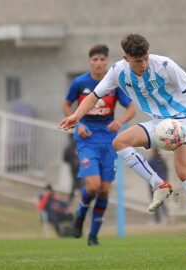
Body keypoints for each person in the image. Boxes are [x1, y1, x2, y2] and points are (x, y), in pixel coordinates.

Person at [59, 34, 186, 257]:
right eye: (138, 61)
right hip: (159, 123)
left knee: (184, 172)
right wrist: (76, 116)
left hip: (184, 119)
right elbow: (93, 96)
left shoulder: (165, 65)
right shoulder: (118, 71)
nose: (144, 64)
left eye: (145, 58)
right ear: (126, 58)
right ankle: (159, 185)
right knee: (120, 142)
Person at [62, 44, 136, 246]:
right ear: (89, 62)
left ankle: (93, 235)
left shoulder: (112, 84)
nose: (99, 63)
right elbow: (66, 104)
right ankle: (80, 216)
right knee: (93, 186)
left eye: (102, 60)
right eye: (95, 60)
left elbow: (131, 108)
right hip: (87, 141)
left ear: (107, 61)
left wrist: (120, 121)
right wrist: (77, 123)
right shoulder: (80, 83)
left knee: (104, 190)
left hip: (109, 141)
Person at [147, 148, 169, 225]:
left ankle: (157, 220)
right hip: (163, 183)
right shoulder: (162, 160)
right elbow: (166, 171)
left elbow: (148, 173)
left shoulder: (151, 161)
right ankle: (167, 217)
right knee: (161, 201)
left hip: (154, 185)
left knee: (155, 202)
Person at [63, 134, 80, 205]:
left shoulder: (69, 147)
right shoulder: (79, 145)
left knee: (76, 183)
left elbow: (65, 158)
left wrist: (72, 162)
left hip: (75, 167)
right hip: (79, 167)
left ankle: (70, 200)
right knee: (77, 183)